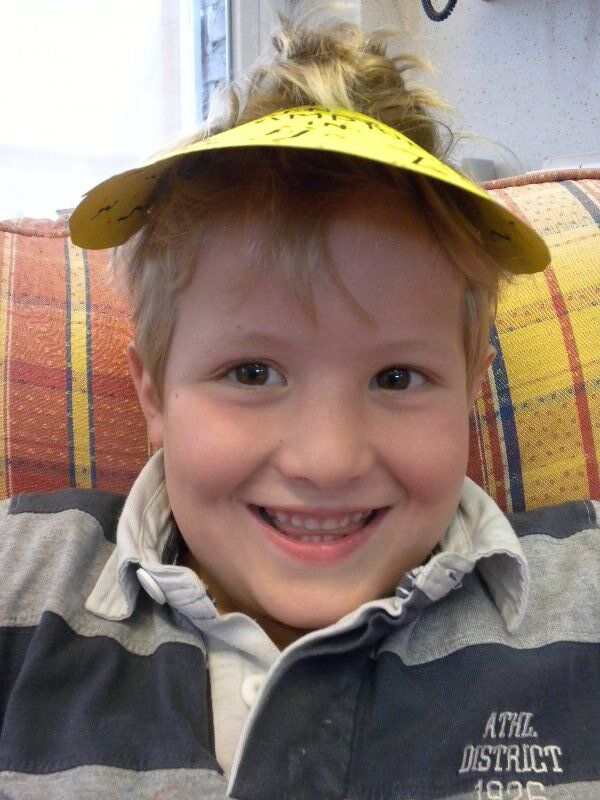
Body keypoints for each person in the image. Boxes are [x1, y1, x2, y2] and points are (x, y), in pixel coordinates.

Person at [1, 10, 598, 800]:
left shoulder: (585, 595)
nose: (327, 462)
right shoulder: (23, 576)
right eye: (252, 374)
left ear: (470, 391)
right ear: (153, 392)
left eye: (396, 379)